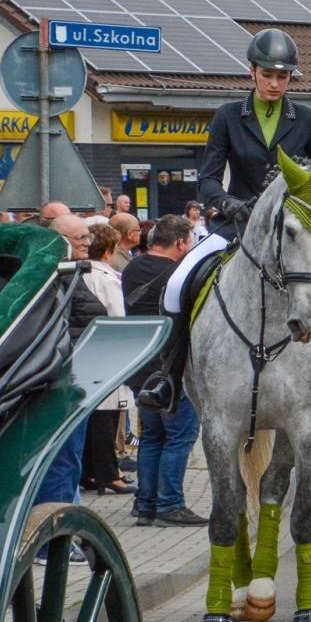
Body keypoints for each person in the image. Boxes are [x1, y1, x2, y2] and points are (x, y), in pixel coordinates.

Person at [137, 28, 311, 432]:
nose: (274, 82)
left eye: (282, 77)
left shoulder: (304, 120)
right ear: (252, 72)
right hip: (237, 224)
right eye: (267, 74)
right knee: (180, 281)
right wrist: (228, 202)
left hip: (292, 232)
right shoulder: (228, 117)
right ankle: (166, 378)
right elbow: (208, 178)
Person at [122, 215, 206, 527]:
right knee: (180, 437)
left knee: (152, 438)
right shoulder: (179, 275)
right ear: (181, 242)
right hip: (172, 369)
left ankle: (145, 506)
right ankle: (170, 504)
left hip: (141, 365)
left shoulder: (133, 266)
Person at [32, 216, 109, 550]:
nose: (87, 242)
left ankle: (62, 537)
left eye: (88, 236)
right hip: (61, 380)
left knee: (69, 463)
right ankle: (53, 545)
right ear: (59, 237)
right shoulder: (53, 273)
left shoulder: (72, 271)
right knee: (61, 464)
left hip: (75, 378)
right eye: (80, 237)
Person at [80, 225, 135, 495]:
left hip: (86, 355)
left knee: (92, 419)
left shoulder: (80, 273)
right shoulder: (107, 279)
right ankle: (108, 474)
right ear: (108, 251)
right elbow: (118, 317)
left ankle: (89, 472)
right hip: (108, 355)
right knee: (107, 418)